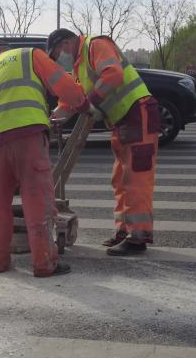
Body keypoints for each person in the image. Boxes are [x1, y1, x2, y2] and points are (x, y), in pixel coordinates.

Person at [0, 41, 94, 277]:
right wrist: (82, 104)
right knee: (37, 200)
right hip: (28, 136)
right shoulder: (28, 55)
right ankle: (44, 264)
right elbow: (62, 83)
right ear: (7, 48)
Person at [47, 29, 160, 256]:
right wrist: (52, 119)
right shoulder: (79, 66)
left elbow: (113, 74)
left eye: (58, 52)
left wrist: (91, 103)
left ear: (67, 42)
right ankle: (124, 231)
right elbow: (73, 100)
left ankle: (138, 237)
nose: (60, 58)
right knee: (120, 179)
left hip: (137, 113)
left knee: (135, 179)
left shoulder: (96, 45)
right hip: (122, 121)